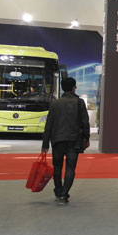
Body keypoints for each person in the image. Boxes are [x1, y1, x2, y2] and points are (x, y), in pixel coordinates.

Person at [41, 77, 90, 205]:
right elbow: (85, 122)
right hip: (74, 141)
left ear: (63, 88)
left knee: (57, 167)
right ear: (74, 88)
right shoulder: (79, 102)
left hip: (57, 140)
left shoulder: (55, 103)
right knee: (70, 168)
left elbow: (49, 124)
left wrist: (45, 143)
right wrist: (86, 138)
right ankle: (64, 194)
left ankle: (58, 190)